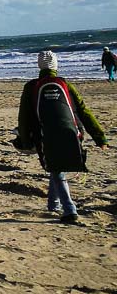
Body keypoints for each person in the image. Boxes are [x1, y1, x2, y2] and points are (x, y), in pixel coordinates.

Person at [16, 51, 107, 224]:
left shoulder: (31, 87)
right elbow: (83, 111)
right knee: (56, 168)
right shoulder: (65, 84)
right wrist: (99, 137)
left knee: (56, 168)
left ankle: (69, 210)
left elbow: (24, 117)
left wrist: (25, 141)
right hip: (73, 132)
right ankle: (53, 205)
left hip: (45, 135)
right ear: (56, 65)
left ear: (39, 66)